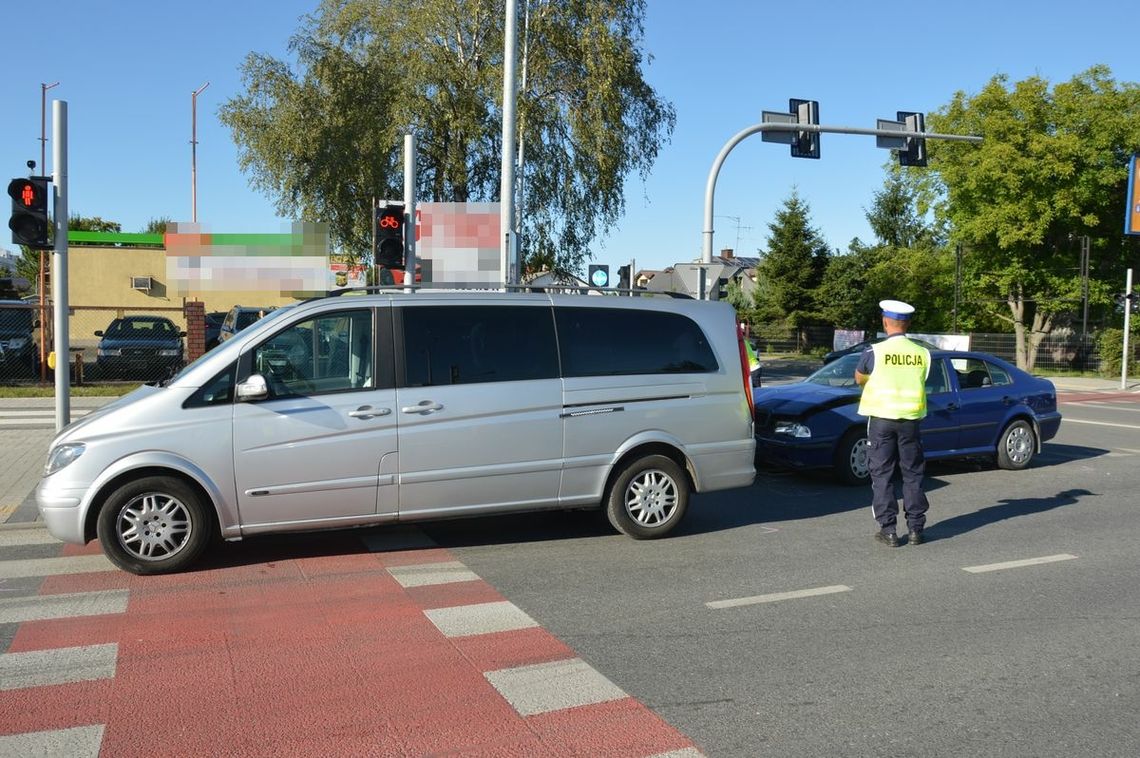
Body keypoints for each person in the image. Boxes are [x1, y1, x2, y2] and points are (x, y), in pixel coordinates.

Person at [854, 300, 931, 547]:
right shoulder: (922, 353)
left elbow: (859, 378)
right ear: (907, 324)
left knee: (882, 474)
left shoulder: (873, 352)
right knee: (913, 473)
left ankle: (889, 530)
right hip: (910, 421)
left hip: (882, 420)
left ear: (885, 322)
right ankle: (916, 529)